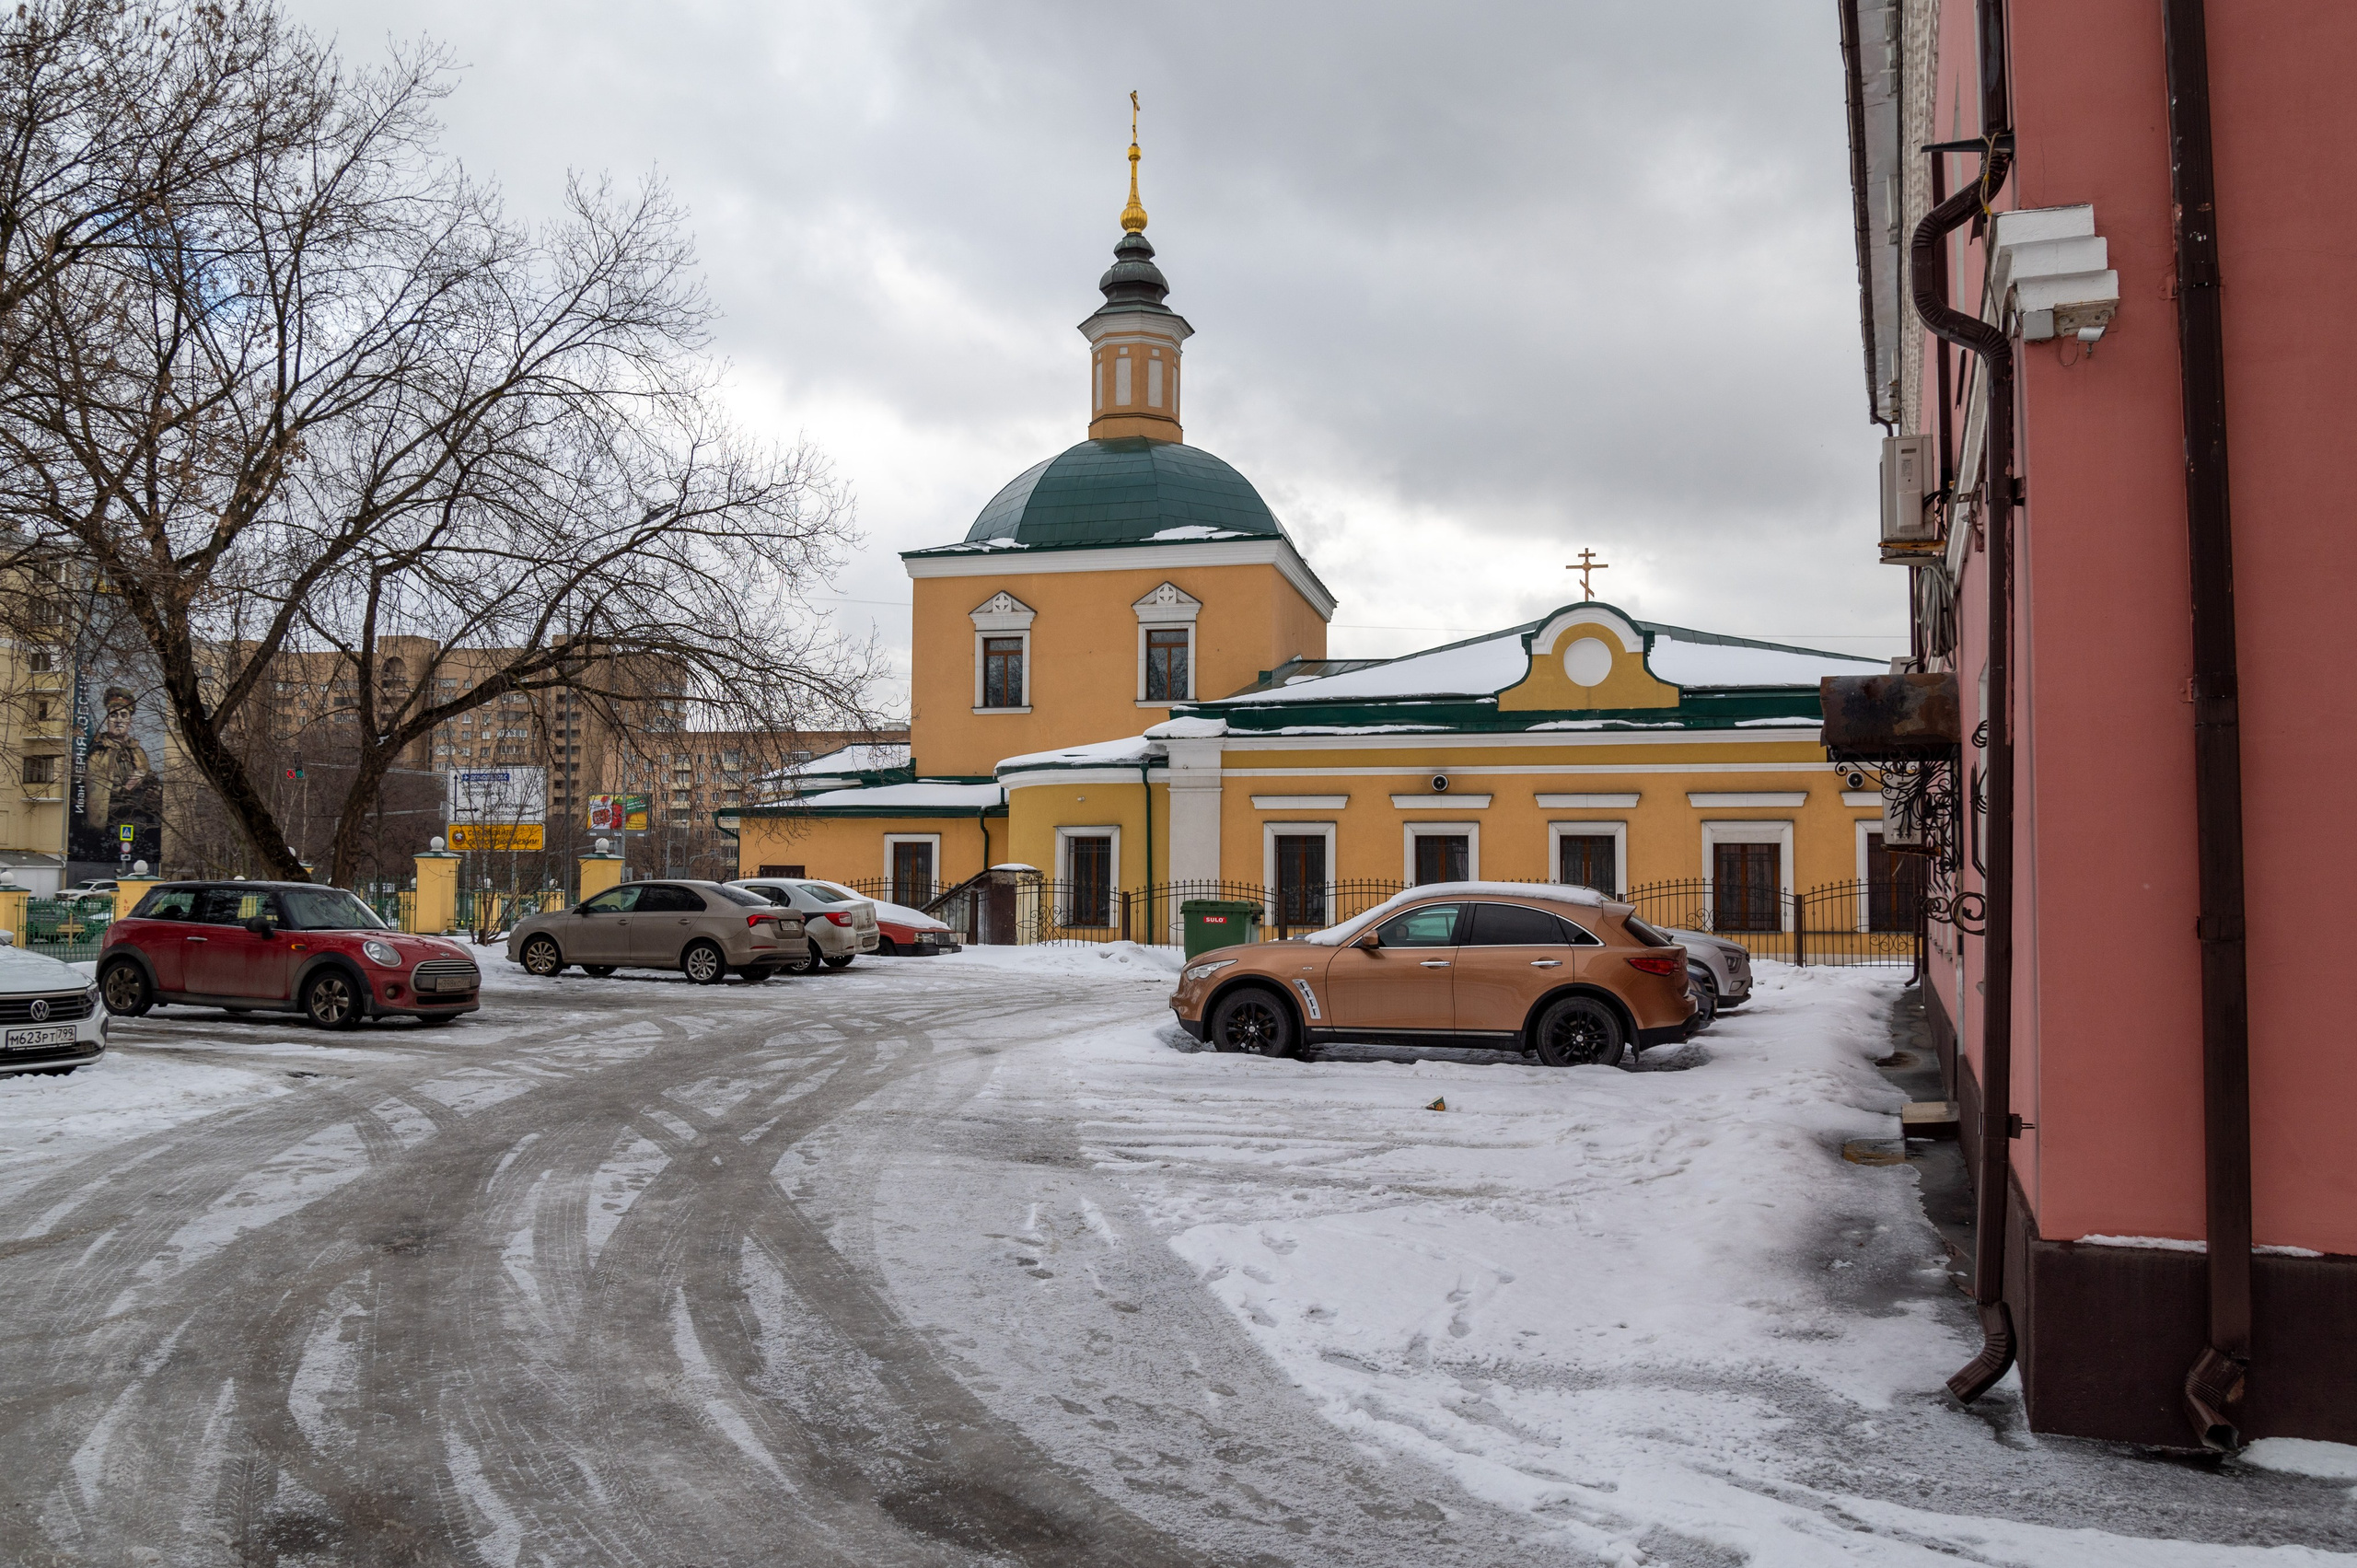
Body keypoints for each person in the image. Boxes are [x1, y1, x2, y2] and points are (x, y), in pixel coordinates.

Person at [82, 687, 156, 836]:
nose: (119, 720)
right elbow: (97, 792)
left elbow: (151, 780)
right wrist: (127, 788)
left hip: (139, 822)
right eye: (114, 715)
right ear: (107, 719)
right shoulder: (98, 753)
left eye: (124, 715)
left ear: (130, 720)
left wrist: (153, 790)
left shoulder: (138, 752)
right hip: (109, 823)